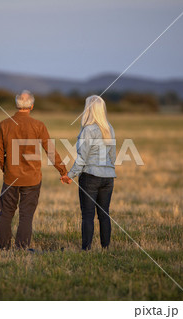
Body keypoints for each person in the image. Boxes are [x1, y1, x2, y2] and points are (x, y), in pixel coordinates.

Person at [0, 90, 70, 250]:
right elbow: (50, 151)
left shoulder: (4, 124)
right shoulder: (38, 125)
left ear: (16, 104)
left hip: (11, 177)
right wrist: (63, 171)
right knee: (26, 214)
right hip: (32, 178)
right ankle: (22, 247)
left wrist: (6, 169)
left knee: (6, 213)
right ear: (32, 106)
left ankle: (1, 248)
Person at [67, 95, 116, 250]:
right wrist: (108, 169)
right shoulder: (109, 127)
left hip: (90, 176)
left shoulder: (88, 130)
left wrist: (70, 175)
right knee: (104, 214)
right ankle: (105, 247)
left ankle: (86, 248)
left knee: (88, 215)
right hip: (108, 177)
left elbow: (82, 157)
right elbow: (112, 155)